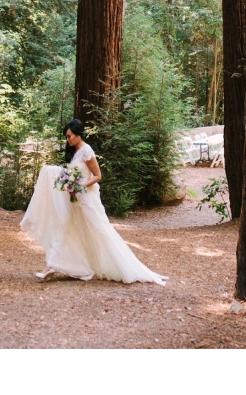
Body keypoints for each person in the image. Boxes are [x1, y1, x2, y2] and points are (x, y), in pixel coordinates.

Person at [20, 118, 167, 285]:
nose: (67, 140)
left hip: (87, 198)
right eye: (66, 137)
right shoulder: (75, 152)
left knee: (100, 230)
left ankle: (125, 266)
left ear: (78, 134)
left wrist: (80, 185)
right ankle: (52, 267)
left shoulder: (86, 151)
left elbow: (97, 176)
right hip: (75, 199)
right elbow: (73, 173)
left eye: (69, 136)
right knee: (67, 227)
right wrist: (65, 180)